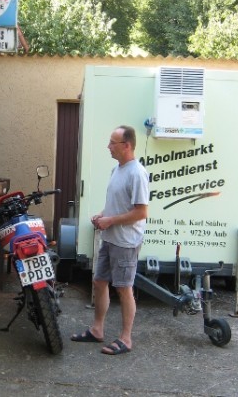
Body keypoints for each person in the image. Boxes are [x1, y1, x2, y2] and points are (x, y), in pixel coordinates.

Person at [71, 125, 149, 355]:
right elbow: (118, 202)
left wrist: (111, 220)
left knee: (124, 288)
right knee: (99, 281)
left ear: (126, 146)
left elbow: (141, 212)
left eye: (112, 142)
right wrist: (103, 215)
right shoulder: (117, 169)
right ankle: (97, 330)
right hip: (110, 236)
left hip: (125, 241)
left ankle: (126, 339)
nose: (108, 146)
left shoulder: (137, 173)